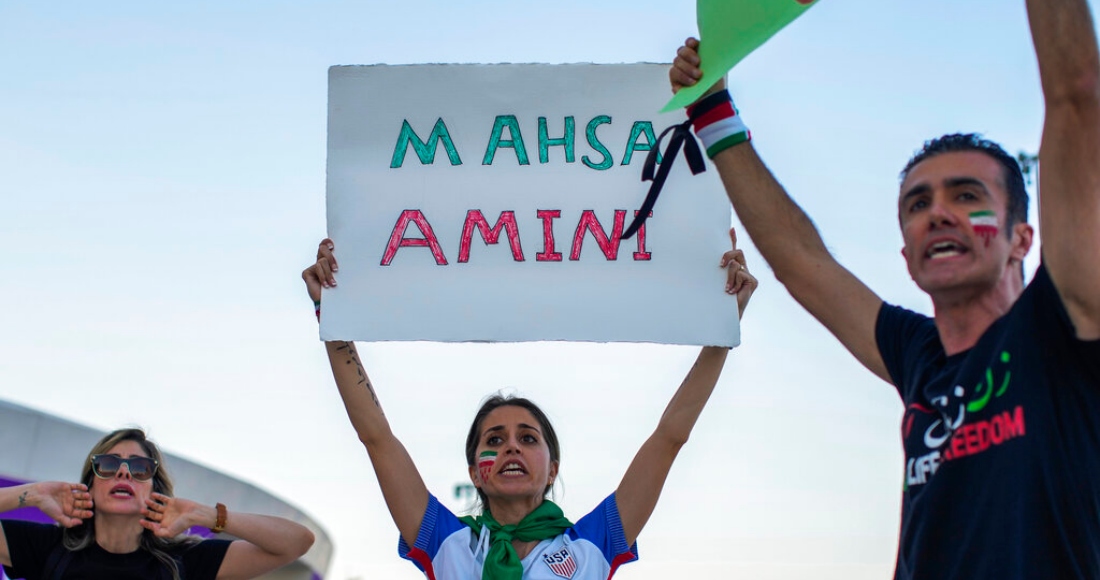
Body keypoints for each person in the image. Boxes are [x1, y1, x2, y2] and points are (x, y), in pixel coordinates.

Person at [668, 1, 1100, 578]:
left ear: (1023, 238)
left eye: (967, 195)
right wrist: (711, 112)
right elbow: (803, 265)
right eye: (918, 204)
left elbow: (1076, 96)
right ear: (907, 255)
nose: (938, 214)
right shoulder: (917, 356)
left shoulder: (1065, 321)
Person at [301, 228, 757, 579]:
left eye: (527, 438)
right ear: (475, 469)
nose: (511, 448)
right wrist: (334, 320)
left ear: (553, 468)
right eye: (494, 440)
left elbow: (669, 438)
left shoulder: (594, 543)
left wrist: (720, 331)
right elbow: (377, 438)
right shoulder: (446, 542)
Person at [0, 428, 315, 580]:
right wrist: (33, 493)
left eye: (140, 468)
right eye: (109, 465)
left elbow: (297, 541)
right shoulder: (49, 548)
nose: (124, 471)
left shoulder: (182, 561)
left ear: (155, 491)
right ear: (90, 486)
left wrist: (205, 515)